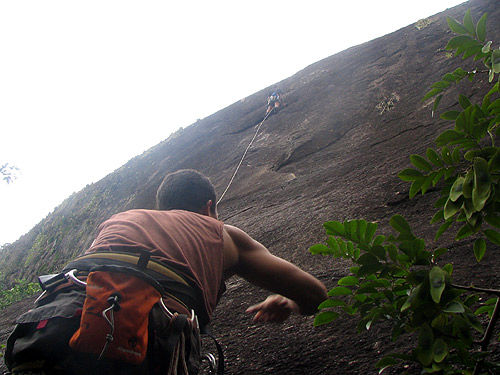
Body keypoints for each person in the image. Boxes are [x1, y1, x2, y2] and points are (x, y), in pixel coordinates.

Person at [5, 169, 327, 374]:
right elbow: (315, 295)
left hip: (52, 319)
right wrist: (291, 303)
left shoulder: (121, 219)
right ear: (209, 208)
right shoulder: (223, 233)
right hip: (139, 335)